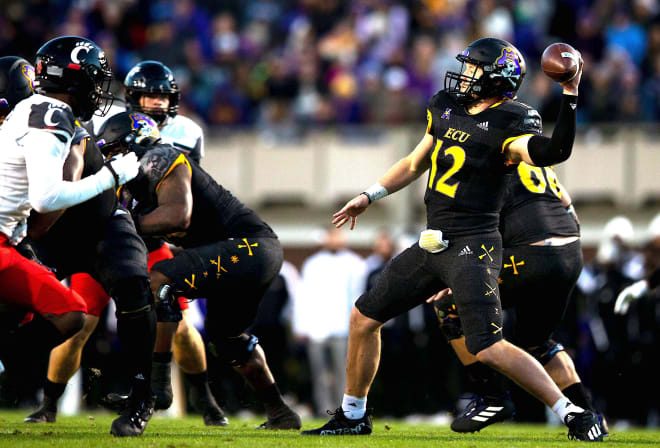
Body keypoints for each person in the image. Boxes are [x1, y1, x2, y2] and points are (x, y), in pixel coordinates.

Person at [302, 37, 603, 442]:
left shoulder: (512, 121)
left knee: (490, 346)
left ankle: (572, 413)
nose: (464, 75)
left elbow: (552, 152)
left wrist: (569, 93)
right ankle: (353, 414)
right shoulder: (447, 105)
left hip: (473, 244)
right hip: (433, 242)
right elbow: (413, 163)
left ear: (495, 79)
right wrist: (368, 196)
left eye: (474, 69)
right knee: (363, 318)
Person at [35, 60, 225, 426]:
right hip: (105, 234)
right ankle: (48, 405)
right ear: (131, 96)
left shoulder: (188, 131)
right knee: (81, 321)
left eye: (161, 95)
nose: (155, 102)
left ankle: (207, 401)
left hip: (151, 237)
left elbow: (185, 189)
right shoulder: (102, 121)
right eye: (147, 95)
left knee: (181, 325)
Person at [96, 111, 302, 430]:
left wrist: (127, 225)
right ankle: (280, 412)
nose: (108, 160)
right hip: (252, 255)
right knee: (227, 338)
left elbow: (178, 216)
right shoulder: (137, 185)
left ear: (130, 145)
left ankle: (153, 392)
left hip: (249, 248)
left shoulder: (159, 156)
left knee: (159, 280)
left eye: (110, 151)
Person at [0, 37, 152, 438]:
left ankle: (142, 397)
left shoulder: (35, 112)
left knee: (121, 291)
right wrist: (113, 175)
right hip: (45, 229)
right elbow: (49, 199)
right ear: (76, 79)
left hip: (95, 225)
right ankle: (17, 380)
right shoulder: (51, 114)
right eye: (94, 79)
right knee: (47, 315)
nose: (100, 90)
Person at [429, 163, 608, 434]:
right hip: (571, 253)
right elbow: (569, 208)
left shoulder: (489, 151)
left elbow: (479, 226)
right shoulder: (537, 161)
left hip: (530, 255)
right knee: (538, 343)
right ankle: (591, 417)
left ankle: (492, 398)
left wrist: (457, 274)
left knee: (448, 307)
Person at [293, 227, 366, 415]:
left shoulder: (355, 263)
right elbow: (304, 297)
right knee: (319, 373)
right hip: (317, 327)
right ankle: (324, 409)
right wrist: (300, 326)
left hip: (343, 328)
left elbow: (358, 297)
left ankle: (343, 410)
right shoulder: (313, 264)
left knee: (344, 373)